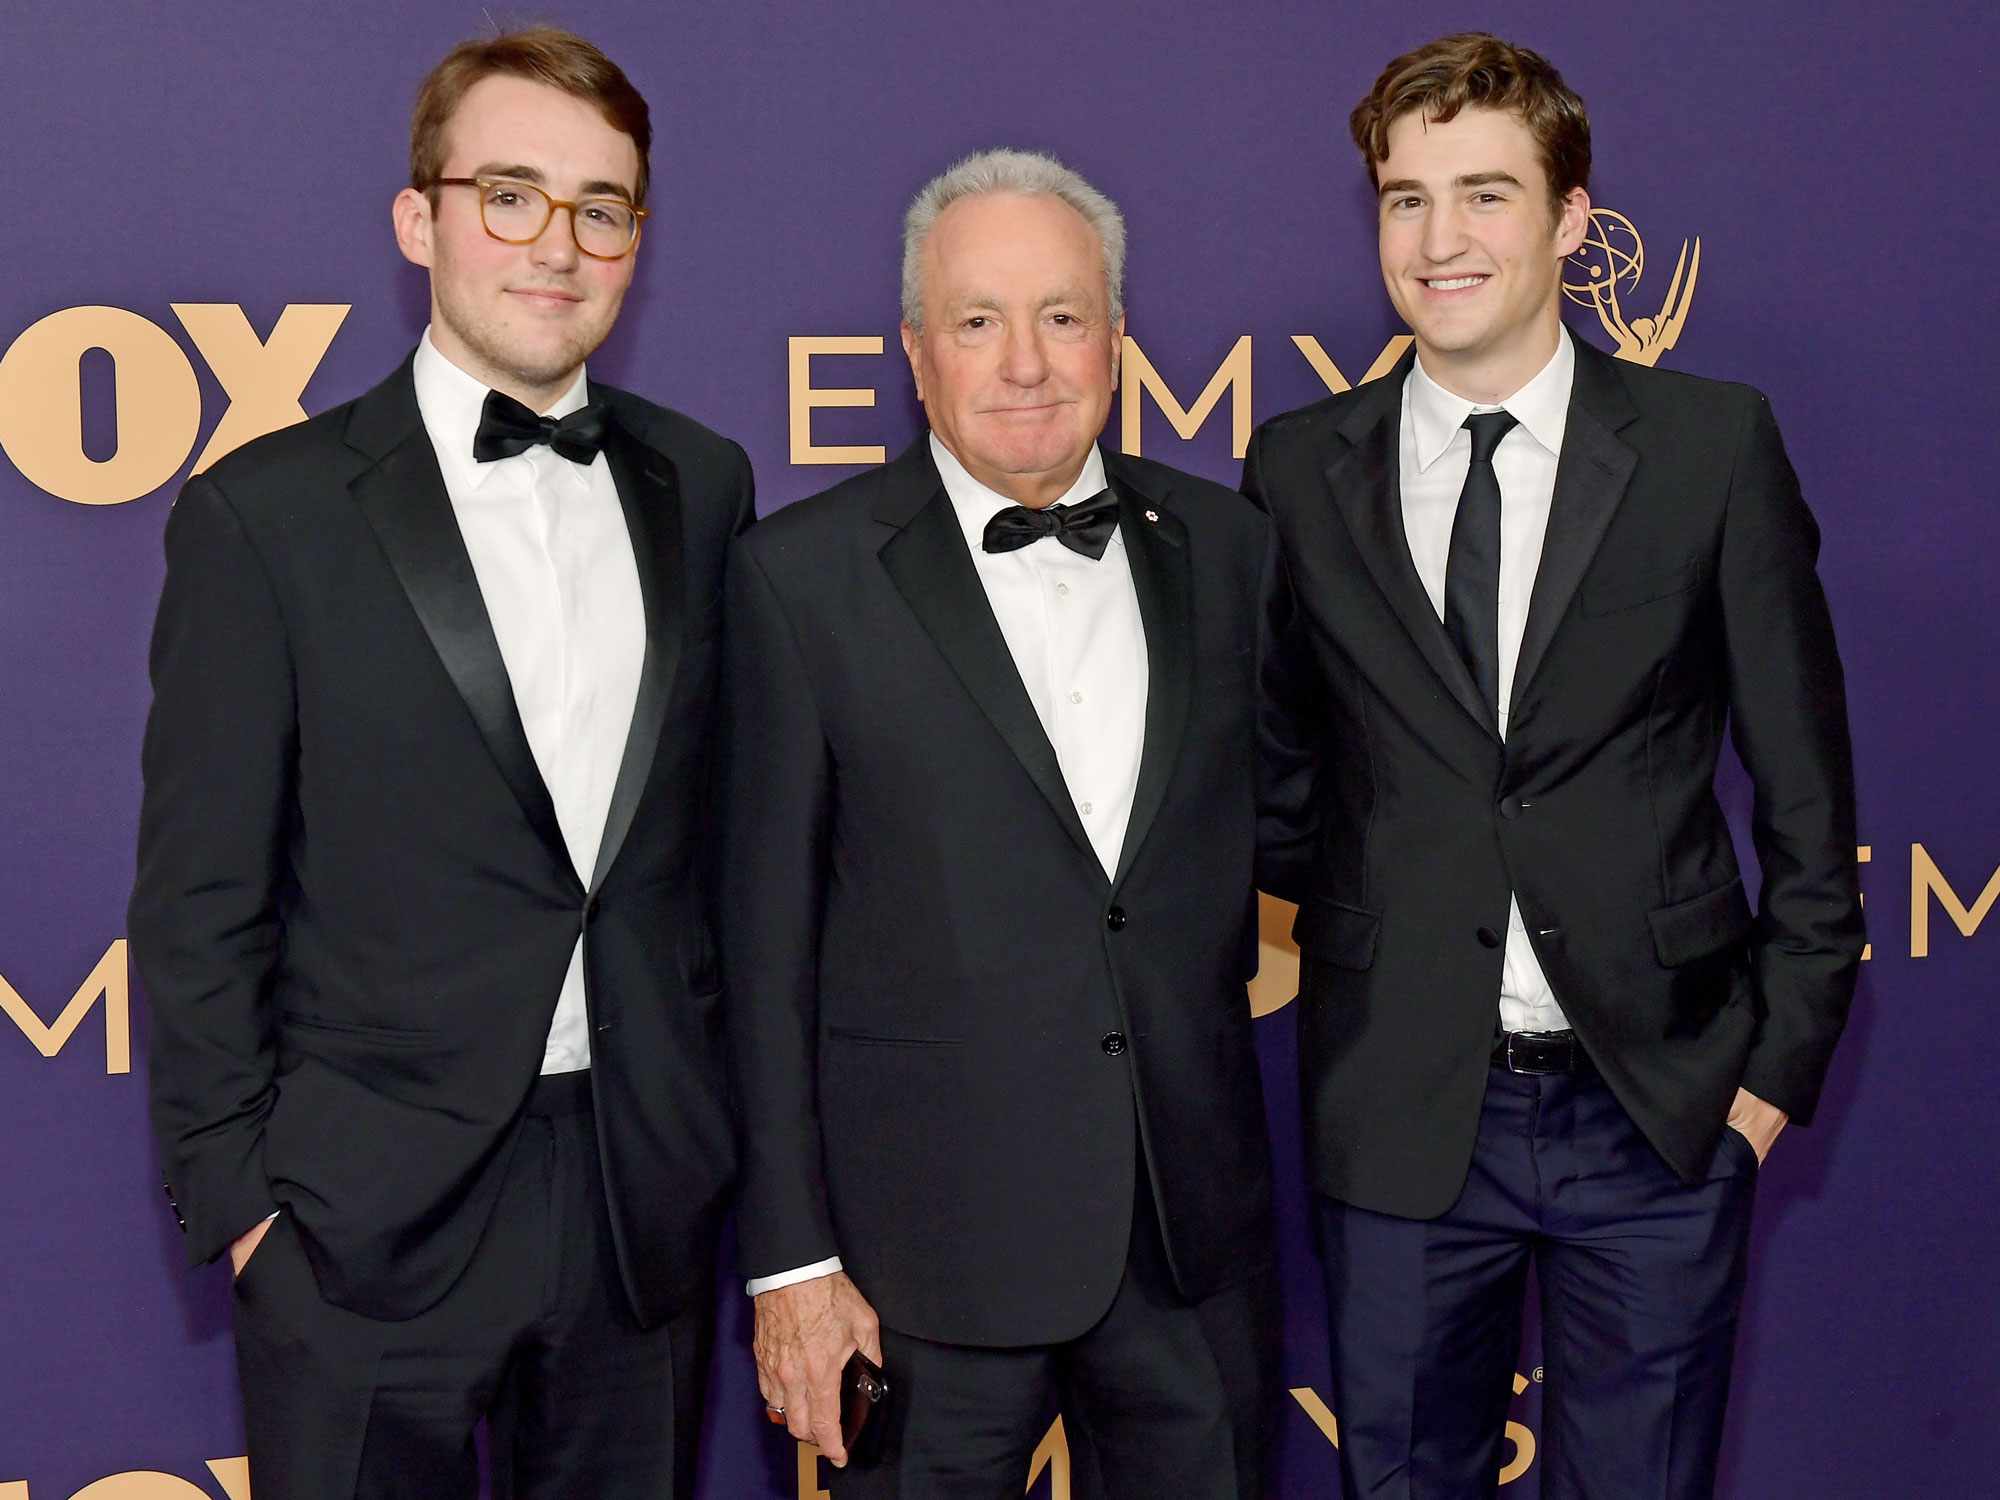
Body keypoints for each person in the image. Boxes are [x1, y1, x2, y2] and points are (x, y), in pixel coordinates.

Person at [130, 27, 751, 1499]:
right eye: (511, 193)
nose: (559, 243)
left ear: (636, 242)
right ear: (420, 221)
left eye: (602, 206)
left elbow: (719, 842)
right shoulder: (266, 515)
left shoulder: (704, 482)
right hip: (357, 1224)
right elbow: (199, 895)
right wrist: (246, 1211)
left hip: (634, 1202)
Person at [1243, 32, 1864, 1500]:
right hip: (1404, 1110)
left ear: (1572, 222)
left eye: (1485, 195)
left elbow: (1810, 795)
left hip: (1654, 1108)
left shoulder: (1712, 448)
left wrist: (1768, 1075)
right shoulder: (1297, 468)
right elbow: (1275, 779)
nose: (1440, 241)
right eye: (1405, 199)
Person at [721, 148, 1284, 1498]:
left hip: (1186, 1247)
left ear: (1118, 341)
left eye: (1064, 317)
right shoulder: (799, 581)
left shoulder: (1230, 551)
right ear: (917, 356)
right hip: (919, 1270)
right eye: (980, 322)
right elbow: (758, 950)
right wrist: (795, 1263)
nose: (1027, 361)